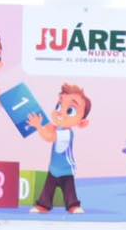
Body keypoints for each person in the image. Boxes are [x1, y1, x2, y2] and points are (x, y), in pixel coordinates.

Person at [26, 83, 91, 214]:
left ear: (82, 123)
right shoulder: (59, 128)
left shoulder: (66, 133)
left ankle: (73, 205)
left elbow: (50, 137)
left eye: (70, 110)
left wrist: (38, 126)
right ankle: (43, 205)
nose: (61, 112)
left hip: (66, 170)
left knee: (69, 191)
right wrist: (42, 123)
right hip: (53, 169)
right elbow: (50, 128)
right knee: (47, 190)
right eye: (59, 106)